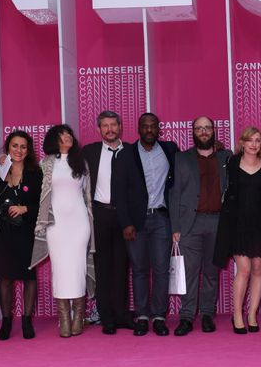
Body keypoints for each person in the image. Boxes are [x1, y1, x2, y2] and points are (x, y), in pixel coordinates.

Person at [113, 112, 178, 337]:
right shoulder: (126, 154)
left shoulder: (170, 150)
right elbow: (119, 192)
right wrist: (125, 223)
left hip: (162, 219)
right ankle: (142, 316)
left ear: (159, 129)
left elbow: (191, 161)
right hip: (136, 222)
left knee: (161, 270)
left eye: (153, 126)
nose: (149, 130)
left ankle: (159, 316)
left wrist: (218, 150)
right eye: (145, 126)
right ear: (138, 128)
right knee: (139, 270)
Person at [30, 124, 95, 338]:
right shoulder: (45, 163)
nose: (68, 137)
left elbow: (87, 195)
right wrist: (5, 162)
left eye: (69, 134)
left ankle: (78, 316)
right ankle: (64, 318)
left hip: (80, 223)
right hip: (55, 224)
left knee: (78, 268)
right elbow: (29, 182)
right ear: (53, 139)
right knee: (60, 270)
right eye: (62, 135)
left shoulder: (81, 162)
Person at [169, 117, 231, 336]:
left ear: (213, 131)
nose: (203, 132)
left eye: (207, 128)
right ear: (193, 132)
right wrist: (175, 226)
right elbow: (174, 193)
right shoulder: (181, 158)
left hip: (217, 222)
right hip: (189, 224)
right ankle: (186, 317)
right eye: (199, 128)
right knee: (190, 273)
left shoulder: (227, 157)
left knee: (212, 273)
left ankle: (207, 314)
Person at [213, 126, 261, 334]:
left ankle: (252, 314)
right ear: (242, 143)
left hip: (260, 224)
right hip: (237, 224)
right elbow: (214, 155)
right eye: (250, 140)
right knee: (244, 269)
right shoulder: (232, 162)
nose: (254, 144)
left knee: (258, 269)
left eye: (258, 140)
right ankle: (237, 315)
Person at [83, 111, 132, 335]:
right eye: (105, 125)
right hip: (99, 215)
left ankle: (121, 315)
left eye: (113, 125)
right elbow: (61, 161)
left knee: (122, 267)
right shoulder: (89, 152)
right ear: (98, 129)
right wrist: (5, 161)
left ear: (120, 127)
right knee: (102, 268)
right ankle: (106, 318)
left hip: (124, 217)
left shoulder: (131, 151)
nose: (110, 129)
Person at [0, 130, 43, 340]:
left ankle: (26, 322)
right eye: (15, 146)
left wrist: (25, 209)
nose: (19, 150)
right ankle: (6, 322)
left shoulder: (36, 173)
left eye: (23, 146)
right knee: (5, 278)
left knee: (29, 277)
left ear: (28, 150)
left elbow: (44, 205)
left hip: (27, 232)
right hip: (3, 233)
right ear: (8, 148)